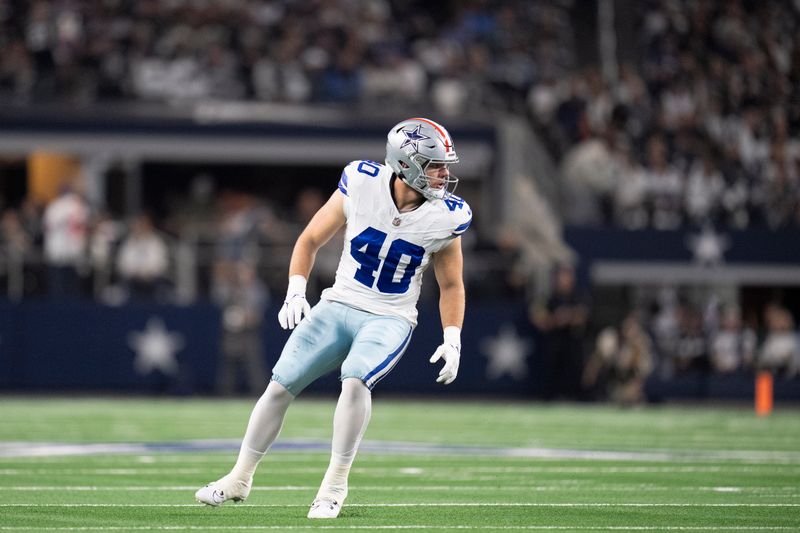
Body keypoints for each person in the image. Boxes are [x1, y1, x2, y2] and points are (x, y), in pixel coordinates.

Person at [195, 117, 471, 519]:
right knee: (278, 386)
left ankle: (334, 486)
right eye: (435, 165)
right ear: (406, 162)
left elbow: (452, 285)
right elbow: (309, 239)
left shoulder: (447, 216)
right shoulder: (361, 181)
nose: (445, 174)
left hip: (389, 317)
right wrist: (295, 290)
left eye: (445, 165)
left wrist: (452, 336)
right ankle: (239, 477)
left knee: (356, 379)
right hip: (339, 303)